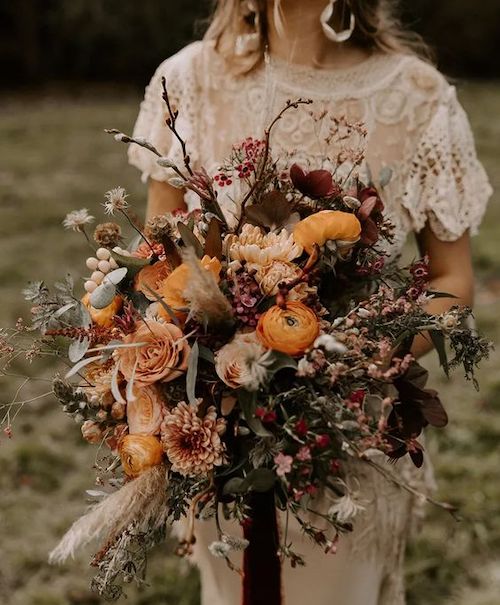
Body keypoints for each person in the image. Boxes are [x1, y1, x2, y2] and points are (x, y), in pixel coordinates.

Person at [128, 1, 492, 603]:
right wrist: (188, 362)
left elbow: (452, 279)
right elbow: (155, 259)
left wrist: (352, 363)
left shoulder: (418, 95)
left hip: (349, 437)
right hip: (217, 436)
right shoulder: (187, 80)